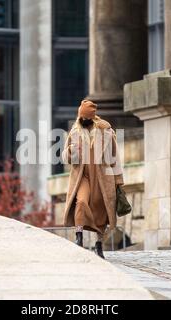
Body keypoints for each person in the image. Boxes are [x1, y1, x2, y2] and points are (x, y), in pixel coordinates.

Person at [62, 100, 124, 259]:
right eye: (80, 117)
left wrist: (119, 182)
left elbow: (115, 158)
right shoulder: (75, 131)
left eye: (85, 118)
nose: (82, 120)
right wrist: (71, 151)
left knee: (100, 211)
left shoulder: (106, 131)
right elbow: (65, 157)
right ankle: (79, 236)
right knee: (81, 201)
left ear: (92, 117)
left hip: (103, 177)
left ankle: (98, 244)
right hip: (82, 177)